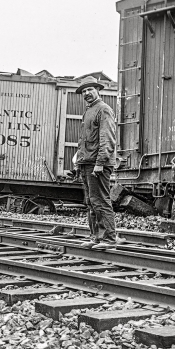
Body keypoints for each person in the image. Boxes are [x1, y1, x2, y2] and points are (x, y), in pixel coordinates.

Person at [75, 78, 117, 250]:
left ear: (98, 90)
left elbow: (107, 138)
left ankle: (109, 239)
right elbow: (83, 141)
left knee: (100, 200)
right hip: (87, 162)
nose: (86, 93)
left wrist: (100, 162)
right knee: (91, 202)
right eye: (84, 91)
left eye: (89, 89)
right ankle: (96, 237)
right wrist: (79, 163)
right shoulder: (88, 112)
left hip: (97, 163)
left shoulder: (104, 110)